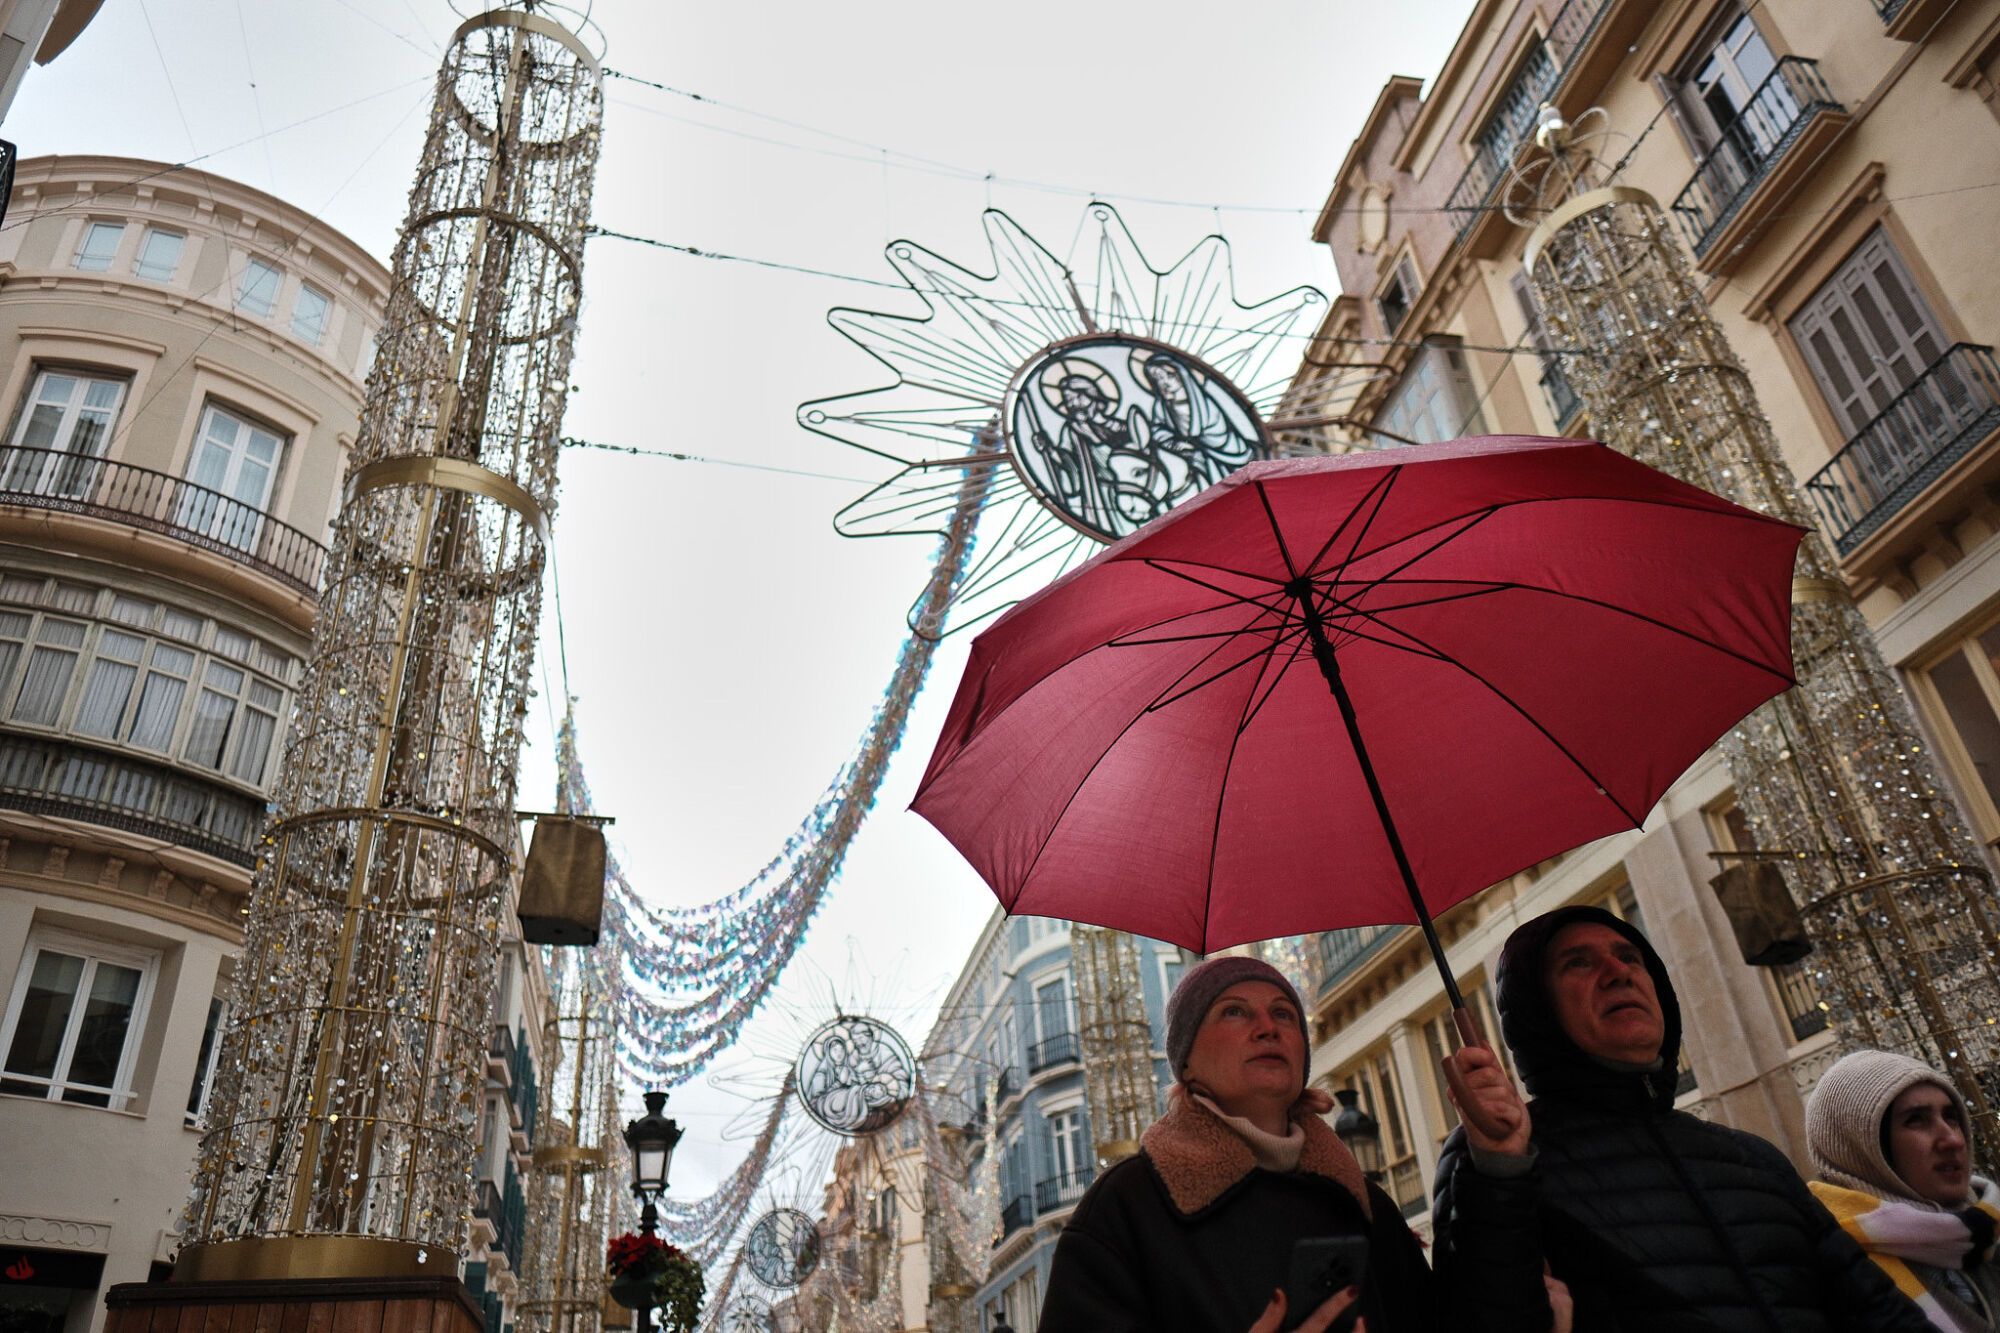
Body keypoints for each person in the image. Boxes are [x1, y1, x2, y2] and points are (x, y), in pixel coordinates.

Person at [1431, 903, 1937, 1332]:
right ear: (1537, 1011)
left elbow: (1878, 1311)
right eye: (1578, 964)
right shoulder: (1496, 1160)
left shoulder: (1752, 1160)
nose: (1618, 972)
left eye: (1630, 956)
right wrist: (1499, 1173)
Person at [1037, 956, 1431, 1332]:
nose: (1267, 1028)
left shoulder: (1365, 1206)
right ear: (1186, 1060)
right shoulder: (1125, 1208)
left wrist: (1490, 1159)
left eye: (1282, 1013)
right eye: (1235, 1011)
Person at [1806, 1049, 2000, 1330]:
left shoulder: (1988, 1234)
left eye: (1951, 1116)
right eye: (1916, 1120)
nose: (1952, 1140)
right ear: (1862, 1149)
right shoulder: (1834, 1281)